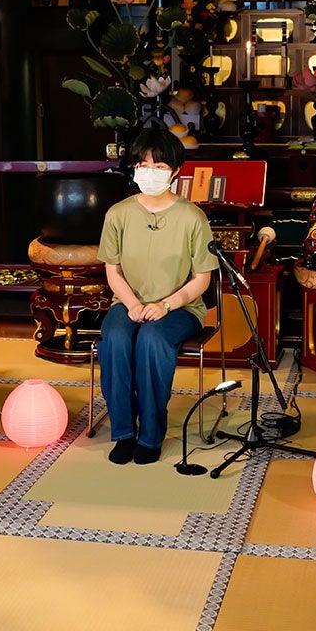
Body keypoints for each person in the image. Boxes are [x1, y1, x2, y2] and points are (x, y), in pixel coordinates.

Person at [97, 128, 217, 465]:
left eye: (159, 167)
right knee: (115, 338)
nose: (150, 172)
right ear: (134, 168)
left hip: (180, 308)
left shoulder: (193, 218)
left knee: (152, 340)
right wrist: (134, 304)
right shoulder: (117, 214)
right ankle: (123, 433)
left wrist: (165, 305)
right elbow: (112, 271)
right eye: (143, 165)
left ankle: (150, 437)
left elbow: (202, 279)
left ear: (175, 172)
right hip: (128, 302)